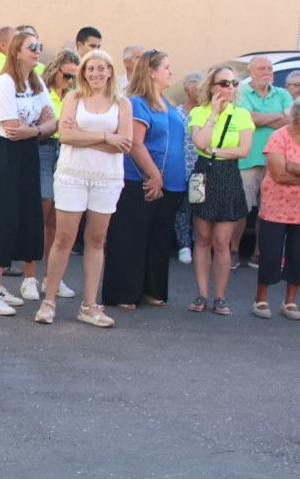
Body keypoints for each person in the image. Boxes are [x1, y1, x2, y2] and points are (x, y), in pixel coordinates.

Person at [38, 49, 131, 326]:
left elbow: (124, 143)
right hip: (72, 175)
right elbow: (65, 136)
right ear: (83, 73)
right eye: (90, 69)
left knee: (96, 240)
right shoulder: (73, 98)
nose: (96, 74)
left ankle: (89, 305)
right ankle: (49, 301)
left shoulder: (122, 104)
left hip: (107, 178)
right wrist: (105, 137)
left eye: (101, 68)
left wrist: (83, 136)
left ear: (110, 71)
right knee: (64, 237)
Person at [0, 33, 54, 316]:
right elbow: (11, 129)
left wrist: (36, 130)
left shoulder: (36, 81)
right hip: (3, 155)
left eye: (39, 46)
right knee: (2, 218)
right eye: (32, 47)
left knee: (25, 216)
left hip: (26, 153)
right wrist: (39, 128)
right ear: (17, 52)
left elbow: (51, 119)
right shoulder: (5, 82)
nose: (37, 51)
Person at [102, 51, 188, 309]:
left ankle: (152, 289)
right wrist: (153, 175)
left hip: (171, 184)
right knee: (131, 237)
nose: (171, 72)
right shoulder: (138, 103)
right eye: (167, 67)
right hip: (141, 181)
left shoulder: (166, 102)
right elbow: (136, 143)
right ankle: (124, 292)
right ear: (151, 71)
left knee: (159, 240)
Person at [251, 96, 300, 321]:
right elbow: (279, 174)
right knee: (271, 254)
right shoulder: (279, 137)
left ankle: (291, 301)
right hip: (275, 206)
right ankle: (261, 297)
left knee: (298, 255)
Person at [186, 66, 254, 314]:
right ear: (212, 86)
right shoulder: (199, 112)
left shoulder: (243, 115)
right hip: (203, 173)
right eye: (224, 83)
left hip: (227, 174)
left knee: (222, 241)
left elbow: (243, 150)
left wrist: (215, 151)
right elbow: (199, 143)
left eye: (234, 83)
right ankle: (202, 294)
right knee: (202, 238)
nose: (230, 88)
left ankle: (220, 296)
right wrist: (213, 114)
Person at [236, 56, 291, 267]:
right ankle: (233, 249)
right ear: (251, 71)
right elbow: (249, 119)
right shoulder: (241, 93)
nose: (267, 72)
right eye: (261, 68)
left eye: (269, 68)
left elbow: (290, 122)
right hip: (248, 158)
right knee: (242, 208)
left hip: (276, 160)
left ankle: (259, 252)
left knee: (268, 210)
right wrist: (277, 116)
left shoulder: (283, 94)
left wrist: (260, 118)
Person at [38, 49, 81, 298]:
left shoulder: (76, 96)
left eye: (75, 77)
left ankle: (51, 277)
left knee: (57, 220)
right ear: (56, 72)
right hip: (45, 149)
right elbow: (41, 123)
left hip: (66, 150)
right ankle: (32, 276)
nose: (70, 81)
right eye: (67, 75)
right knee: (42, 210)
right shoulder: (43, 93)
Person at [171, 70, 204, 265]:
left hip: (200, 168)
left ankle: (196, 242)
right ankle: (184, 244)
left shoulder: (208, 113)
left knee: (198, 207)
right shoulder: (177, 113)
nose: (199, 92)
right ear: (186, 89)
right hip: (181, 168)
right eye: (196, 87)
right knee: (182, 208)